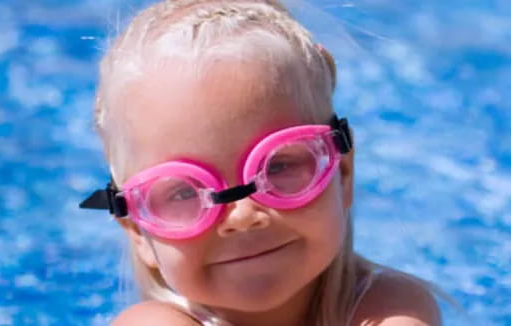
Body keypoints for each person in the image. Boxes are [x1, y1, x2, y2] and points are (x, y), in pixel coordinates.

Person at [80, 0, 443, 325]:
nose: (241, 216)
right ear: (138, 230)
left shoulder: (389, 307)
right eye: (182, 193)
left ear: (342, 174)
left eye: (278, 167)